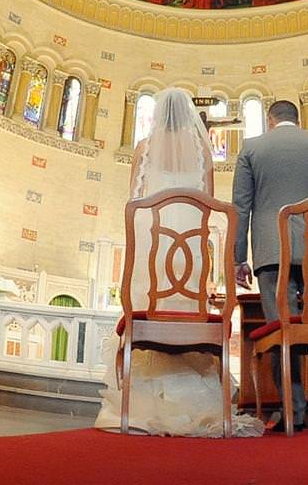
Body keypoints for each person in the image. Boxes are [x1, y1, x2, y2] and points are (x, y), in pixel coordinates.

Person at [94, 88, 263, 437]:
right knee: (186, 299)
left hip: (153, 248)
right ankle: (194, 398)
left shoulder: (144, 148)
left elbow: (133, 203)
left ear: (158, 115)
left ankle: (137, 399)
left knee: (150, 298)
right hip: (189, 248)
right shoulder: (202, 150)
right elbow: (209, 206)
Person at [232, 100, 308, 432]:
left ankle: (292, 411)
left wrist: (238, 258)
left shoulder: (252, 148)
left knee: (282, 330)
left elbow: (241, 205)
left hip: (271, 252)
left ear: (270, 121)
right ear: (298, 120)